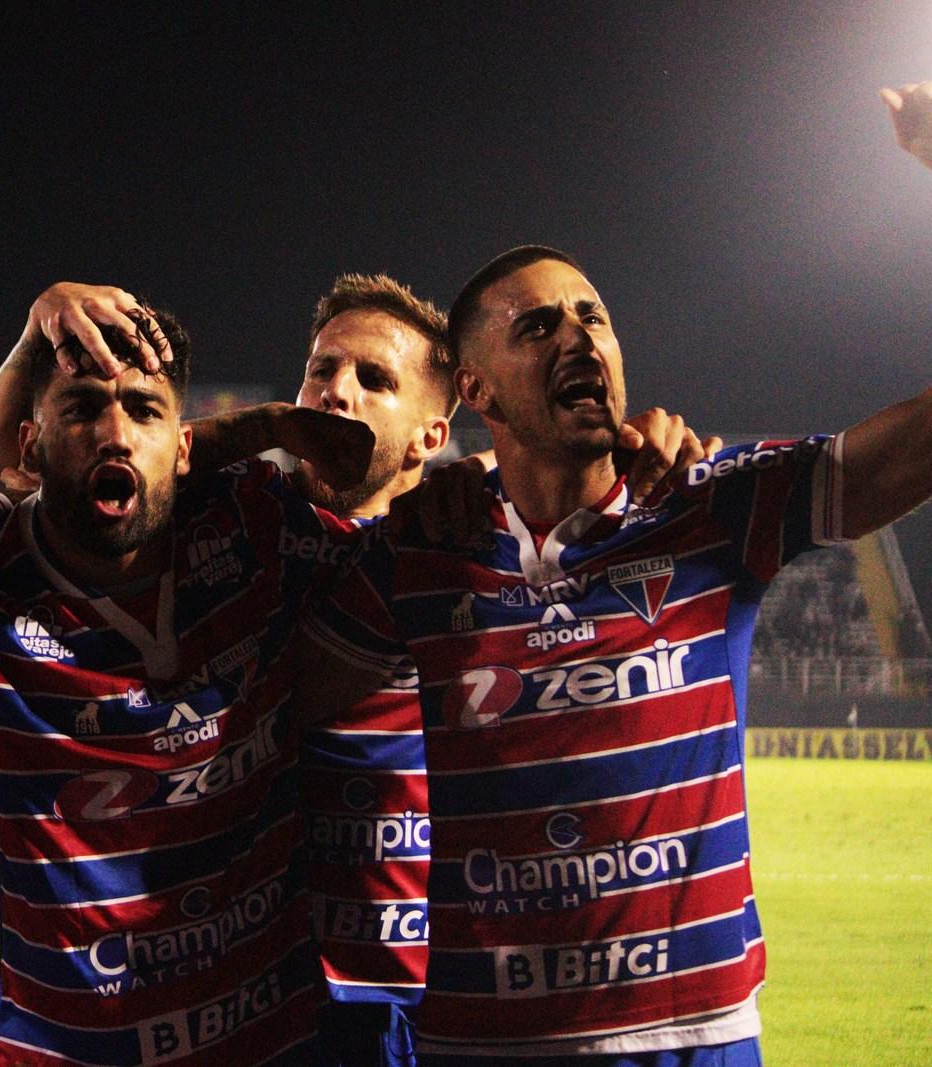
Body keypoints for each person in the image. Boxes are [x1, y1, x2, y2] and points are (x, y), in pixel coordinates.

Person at [327, 82, 932, 1066]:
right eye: (534, 327)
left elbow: (911, 450)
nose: (576, 334)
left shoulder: (711, 503)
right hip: (478, 1045)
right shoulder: (417, 550)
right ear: (472, 388)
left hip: (694, 1041)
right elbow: (260, 689)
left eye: (592, 316)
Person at [0, 277, 713, 1067]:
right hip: (264, 991)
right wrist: (267, 422)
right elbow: (26, 459)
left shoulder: (467, 537)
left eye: (374, 379)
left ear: (432, 434)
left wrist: (645, 448)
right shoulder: (234, 512)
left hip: (428, 987)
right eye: (320, 369)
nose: (337, 391)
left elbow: (584, 494)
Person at [0, 300, 392, 1065]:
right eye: (82, 408)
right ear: (29, 447)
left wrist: (271, 425)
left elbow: (381, 501)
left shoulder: (253, 524)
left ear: (185, 444)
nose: (115, 432)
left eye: (143, 409)